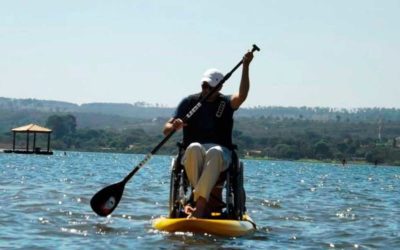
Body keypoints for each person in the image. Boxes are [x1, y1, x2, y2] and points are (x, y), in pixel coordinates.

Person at [163, 51, 254, 218]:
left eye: (209, 87)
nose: (205, 90)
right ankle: (201, 203)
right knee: (194, 147)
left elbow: (242, 96)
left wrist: (246, 66)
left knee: (215, 151)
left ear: (219, 87)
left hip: (221, 154)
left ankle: (198, 204)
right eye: (203, 85)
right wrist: (174, 125)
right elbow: (166, 129)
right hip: (192, 153)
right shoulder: (189, 102)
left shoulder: (225, 102)